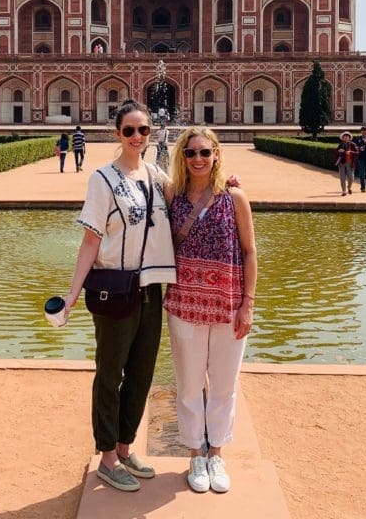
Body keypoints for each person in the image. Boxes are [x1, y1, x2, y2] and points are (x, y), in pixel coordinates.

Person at [64, 100, 176, 493]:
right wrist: (72, 294)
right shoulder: (103, 179)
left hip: (151, 289)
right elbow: (91, 239)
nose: (137, 137)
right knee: (110, 374)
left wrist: (225, 185)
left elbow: (189, 198)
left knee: (142, 373)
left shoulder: (156, 176)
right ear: (117, 134)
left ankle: (125, 447)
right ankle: (107, 456)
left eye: (143, 130)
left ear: (151, 134)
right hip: (114, 288)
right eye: (129, 130)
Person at [163, 127, 257, 494]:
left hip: (227, 304)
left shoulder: (234, 197)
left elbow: (250, 252)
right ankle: (194, 455)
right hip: (184, 304)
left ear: (216, 154)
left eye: (204, 152)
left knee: (223, 385)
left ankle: (216, 453)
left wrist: (247, 305)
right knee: (188, 384)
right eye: (190, 153)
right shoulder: (172, 195)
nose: (198, 159)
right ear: (182, 158)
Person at [335, 131, 359, 196]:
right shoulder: (340, 144)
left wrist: (351, 152)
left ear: (349, 138)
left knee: (351, 177)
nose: (345, 138)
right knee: (342, 177)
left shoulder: (353, 144)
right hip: (341, 163)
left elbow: (357, 152)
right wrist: (339, 151)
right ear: (342, 138)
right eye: (344, 137)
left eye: (347, 137)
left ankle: (349, 187)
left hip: (350, 162)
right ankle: (344, 191)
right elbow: (336, 152)